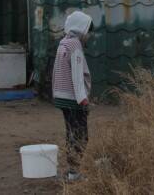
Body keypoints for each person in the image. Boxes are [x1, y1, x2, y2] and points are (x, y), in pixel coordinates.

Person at [52, 10, 92, 181]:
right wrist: (83, 99)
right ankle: (74, 172)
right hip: (73, 98)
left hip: (61, 96)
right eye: (89, 31)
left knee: (71, 133)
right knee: (81, 135)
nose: (90, 36)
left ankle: (70, 170)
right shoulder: (75, 45)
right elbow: (76, 75)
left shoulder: (63, 42)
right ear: (82, 29)